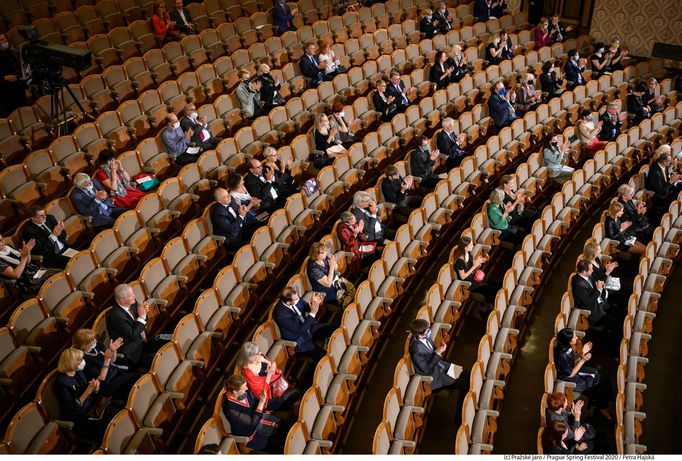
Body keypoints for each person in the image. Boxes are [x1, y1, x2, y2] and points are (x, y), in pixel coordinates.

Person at [54, 348, 122, 439]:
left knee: (118, 412)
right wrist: (88, 391)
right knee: (111, 426)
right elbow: (70, 409)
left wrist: (95, 388)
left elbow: (90, 390)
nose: (83, 361)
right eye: (80, 360)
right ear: (71, 362)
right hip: (81, 416)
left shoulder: (79, 371)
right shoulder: (61, 382)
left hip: (94, 405)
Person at [553, 328, 613, 419]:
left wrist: (582, 353)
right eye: (574, 337)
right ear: (568, 340)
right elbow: (570, 374)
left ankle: (600, 405)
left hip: (573, 372)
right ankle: (602, 407)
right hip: (568, 380)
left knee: (600, 377)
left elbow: (572, 360)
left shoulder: (566, 346)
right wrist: (583, 360)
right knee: (600, 380)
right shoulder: (562, 354)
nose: (576, 338)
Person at [221, 374, 287, 452]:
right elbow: (252, 423)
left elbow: (255, 401)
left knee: (285, 427)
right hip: (249, 432)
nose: (246, 388)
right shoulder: (230, 409)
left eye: (245, 386)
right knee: (281, 445)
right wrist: (261, 404)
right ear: (235, 391)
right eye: (243, 388)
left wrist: (262, 399)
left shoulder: (244, 391)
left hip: (259, 417)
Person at [71, 329, 141, 401]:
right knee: (134, 382)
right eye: (92, 340)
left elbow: (113, 360)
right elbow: (101, 378)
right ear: (84, 345)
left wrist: (113, 350)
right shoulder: (83, 360)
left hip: (116, 373)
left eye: (94, 338)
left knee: (138, 378)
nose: (95, 340)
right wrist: (106, 360)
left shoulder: (97, 345)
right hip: (107, 384)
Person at [106, 283, 165, 369]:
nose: (134, 296)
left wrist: (144, 312)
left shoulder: (132, 303)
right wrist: (142, 316)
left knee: (168, 343)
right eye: (131, 295)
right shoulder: (116, 317)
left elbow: (141, 321)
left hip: (144, 339)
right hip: (134, 350)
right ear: (122, 300)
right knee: (157, 365)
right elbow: (132, 335)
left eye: (133, 293)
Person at [273, 287, 337, 360]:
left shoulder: (295, 297)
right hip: (299, 338)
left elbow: (304, 307)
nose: (298, 299)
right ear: (289, 302)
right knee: (324, 357)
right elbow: (300, 330)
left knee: (334, 328)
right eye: (296, 299)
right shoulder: (281, 315)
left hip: (308, 328)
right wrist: (313, 313)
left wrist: (313, 303)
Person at [408, 318, 468, 392]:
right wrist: (438, 353)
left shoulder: (426, 336)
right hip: (436, 377)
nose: (430, 331)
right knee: (464, 384)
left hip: (442, 365)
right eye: (427, 331)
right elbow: (427, 370)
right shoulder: (416, 351)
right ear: (420, 335)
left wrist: (440, 348)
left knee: (466, 374)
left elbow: (432, 350)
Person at [236, 342, 300, 411]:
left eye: (259, 351)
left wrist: (269, 363)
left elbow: (271, 367)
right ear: (250, 357)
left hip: (278, 384)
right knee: (293, 394)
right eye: (257, 353)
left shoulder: (260, 357)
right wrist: (269, 374)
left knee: (295, 394)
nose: (260, 353)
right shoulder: (248, 374)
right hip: (270, 397)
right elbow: (262, 393)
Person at [571, 260, 622, 340]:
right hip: (594, 313)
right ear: (584, 272)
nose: (593, 270)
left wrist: (602, 282)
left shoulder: (588, 275)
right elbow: (588, 303)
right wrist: (598, 290)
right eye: (591, 269)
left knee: (621, 313)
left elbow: (598, 283)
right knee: (618, 324)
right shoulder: (579, 285)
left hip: (600, 304)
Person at [306, 242, 355, 307]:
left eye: (325, 250)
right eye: (323, 252)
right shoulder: (314, 269)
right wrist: (331, 266)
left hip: (336, 282)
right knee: (348, 301)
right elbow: (328, 284)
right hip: (328, 291)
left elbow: (336, 268)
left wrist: (333, 261)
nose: (326, 253)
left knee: (353, 290)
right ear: (317, 255)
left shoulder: (324, 258)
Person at [452, 235, 499, 303]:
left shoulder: (468, 253)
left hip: (474, 276)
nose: (473, 246)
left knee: (495, 283)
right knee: (491, 290)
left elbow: (472, 265)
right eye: (471, 245)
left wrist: (478, 262)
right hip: (469, 282)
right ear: (465, 247)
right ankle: (490, 306)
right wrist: (474, 266)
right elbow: (463, 277)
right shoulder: (460, 261)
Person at [211, 187, 256, 251]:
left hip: (242, 229)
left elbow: (238, 210)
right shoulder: (218, 214)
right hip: (233, 239)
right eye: (226, 197)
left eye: (228, 194)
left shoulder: (230, 198)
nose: (229, 197)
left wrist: (242, 208)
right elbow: (232, 229)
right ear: (220, 201)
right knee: (253, 245)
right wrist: (241, 216)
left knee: (259, 230)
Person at [337, 211, 380, 275]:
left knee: (375, 250)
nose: (355, 222)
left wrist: (362, 235)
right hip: (351, 248)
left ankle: (375, 269)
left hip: (358, 243)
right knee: (373, 254)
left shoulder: (352, 223)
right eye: (353, 221)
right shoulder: (342, 229)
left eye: (355, 220)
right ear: (347, 222)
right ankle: (368, 271)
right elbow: (349, 243)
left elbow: (358, 230)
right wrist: (355, 233)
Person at [645, 145, 682, 211]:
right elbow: (660, 190)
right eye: (669, 161)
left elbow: (667, 179)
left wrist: (676, 178)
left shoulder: (664, 166)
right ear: (664, 162)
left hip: (667, 190)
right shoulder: (655, 173)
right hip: (660, 196)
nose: (670, 163)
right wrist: (671, 181)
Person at [0, 33, 27, 117]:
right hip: (6, 89)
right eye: (1, 40)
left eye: (5, 39)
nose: (5, 41)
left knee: (23, 108)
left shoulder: (10, 52)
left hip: (18, 85)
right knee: (12, 113)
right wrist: (4, 78)